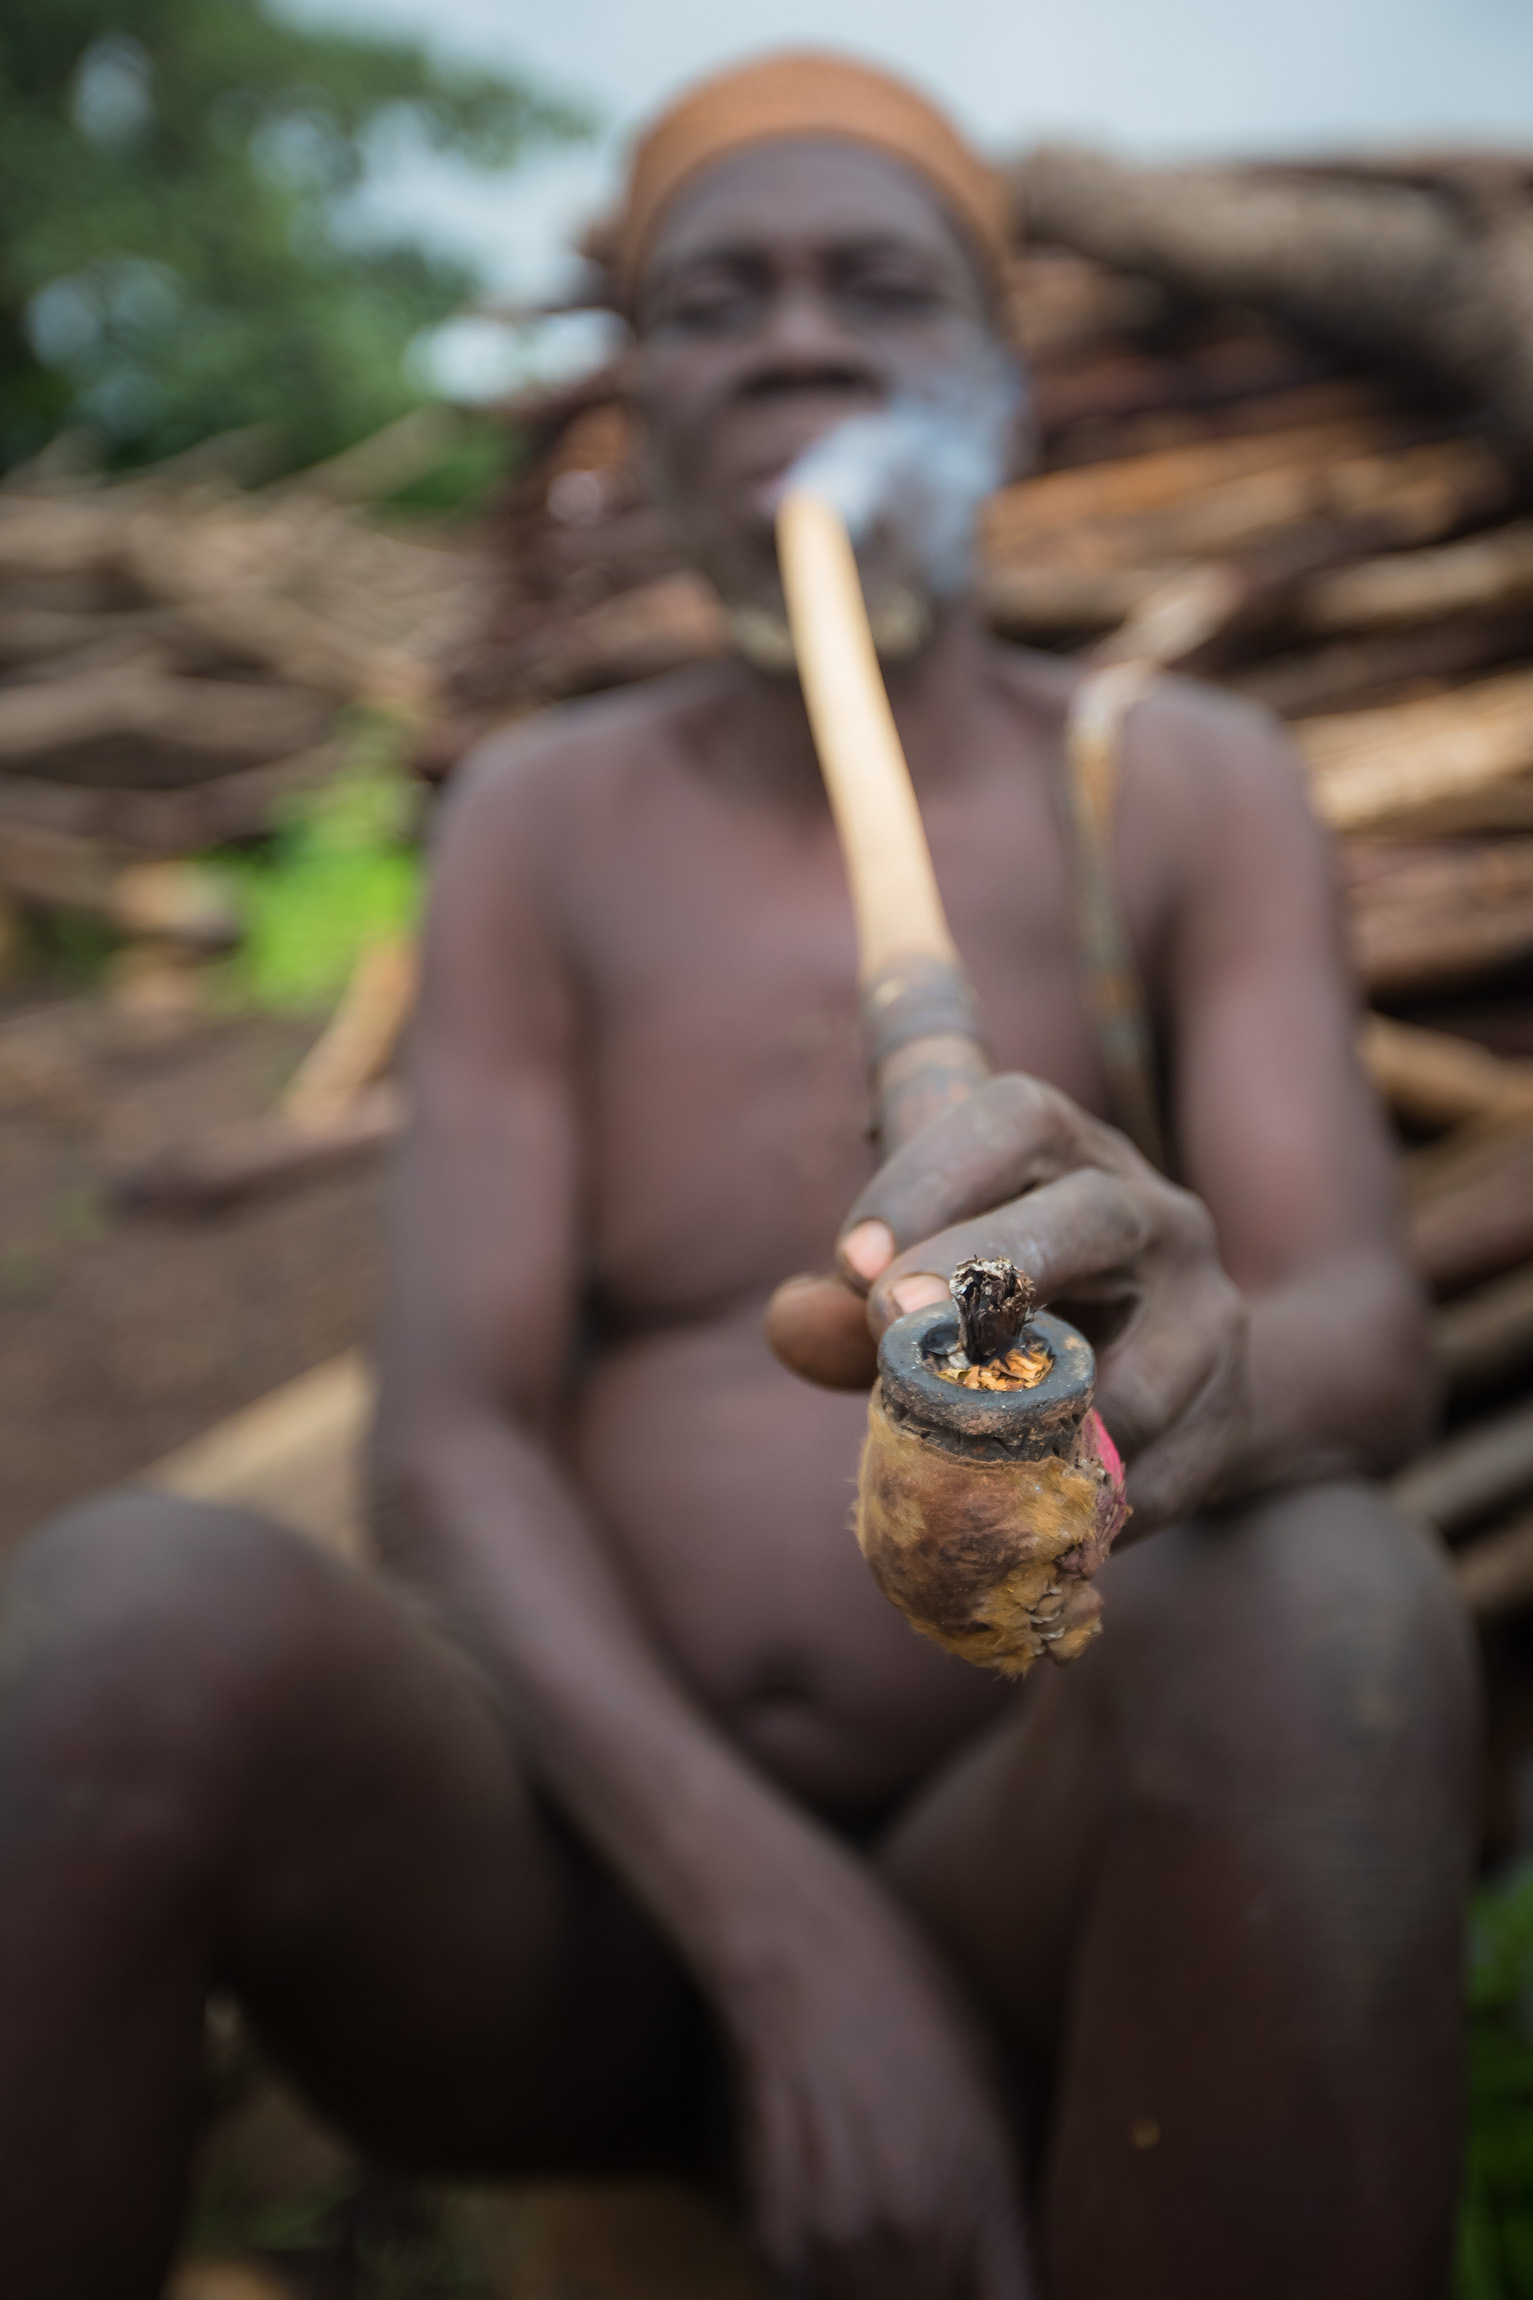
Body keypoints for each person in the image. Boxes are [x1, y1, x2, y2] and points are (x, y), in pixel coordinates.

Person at [0, 51, 1476, 2300]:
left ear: (996, 390)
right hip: (583, 1903)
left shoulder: (1170, 786)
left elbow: (1356, 1328)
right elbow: (452, 1442)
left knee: (1326, 1599)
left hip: (1042, 1857)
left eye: (875, 288)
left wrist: (1196, 1325)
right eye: (716, 301)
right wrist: (786, 1938)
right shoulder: (542, 822)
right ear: (639, 412)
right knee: (125, 1620)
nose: (794, 339)